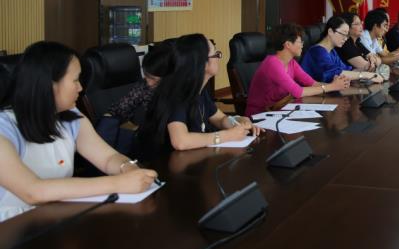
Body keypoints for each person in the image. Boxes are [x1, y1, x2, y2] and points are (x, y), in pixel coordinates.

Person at [0, 41, 157, 222]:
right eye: (75, 80)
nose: (80, 88)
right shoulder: (5, 127)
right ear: (49, 84)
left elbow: (108, 158)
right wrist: (117, 183)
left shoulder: (70, 117)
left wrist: (127, 167)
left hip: (54, 217)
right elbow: (32, 191)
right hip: (11, 225)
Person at [139, 34, 260, 156]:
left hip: (191, 158)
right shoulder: (178, 94)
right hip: (163, 162)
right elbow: (180, 141)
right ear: (203, 64)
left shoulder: (200, 90)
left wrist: (238, 121)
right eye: (216, 54)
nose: (218, 58)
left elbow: (220, 119)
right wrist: (227, 136)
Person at [246, 24, 350, 117]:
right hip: (259, 117)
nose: (302, 45)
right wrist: (332, 87)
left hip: (279, 112)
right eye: (300, 41)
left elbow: (313, 83)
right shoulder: (272, 63)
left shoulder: (291, 63)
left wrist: (336, 84)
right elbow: (298, 92)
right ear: (288, 44)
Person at [103, 41, 175, 123]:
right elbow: (123, 106)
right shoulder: (143, 86)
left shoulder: (177, 90)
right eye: (146, 75)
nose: (149, 83)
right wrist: (108, 116)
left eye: (153, 78)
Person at [302, 16, 385, 84]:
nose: (345, 39)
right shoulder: (317, 52)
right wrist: (364, 75)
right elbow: (335, 73)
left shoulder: (332, 52)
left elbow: (346, 70)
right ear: (330, 31)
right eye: (343, 34)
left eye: (347, 35)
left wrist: (366, 67)